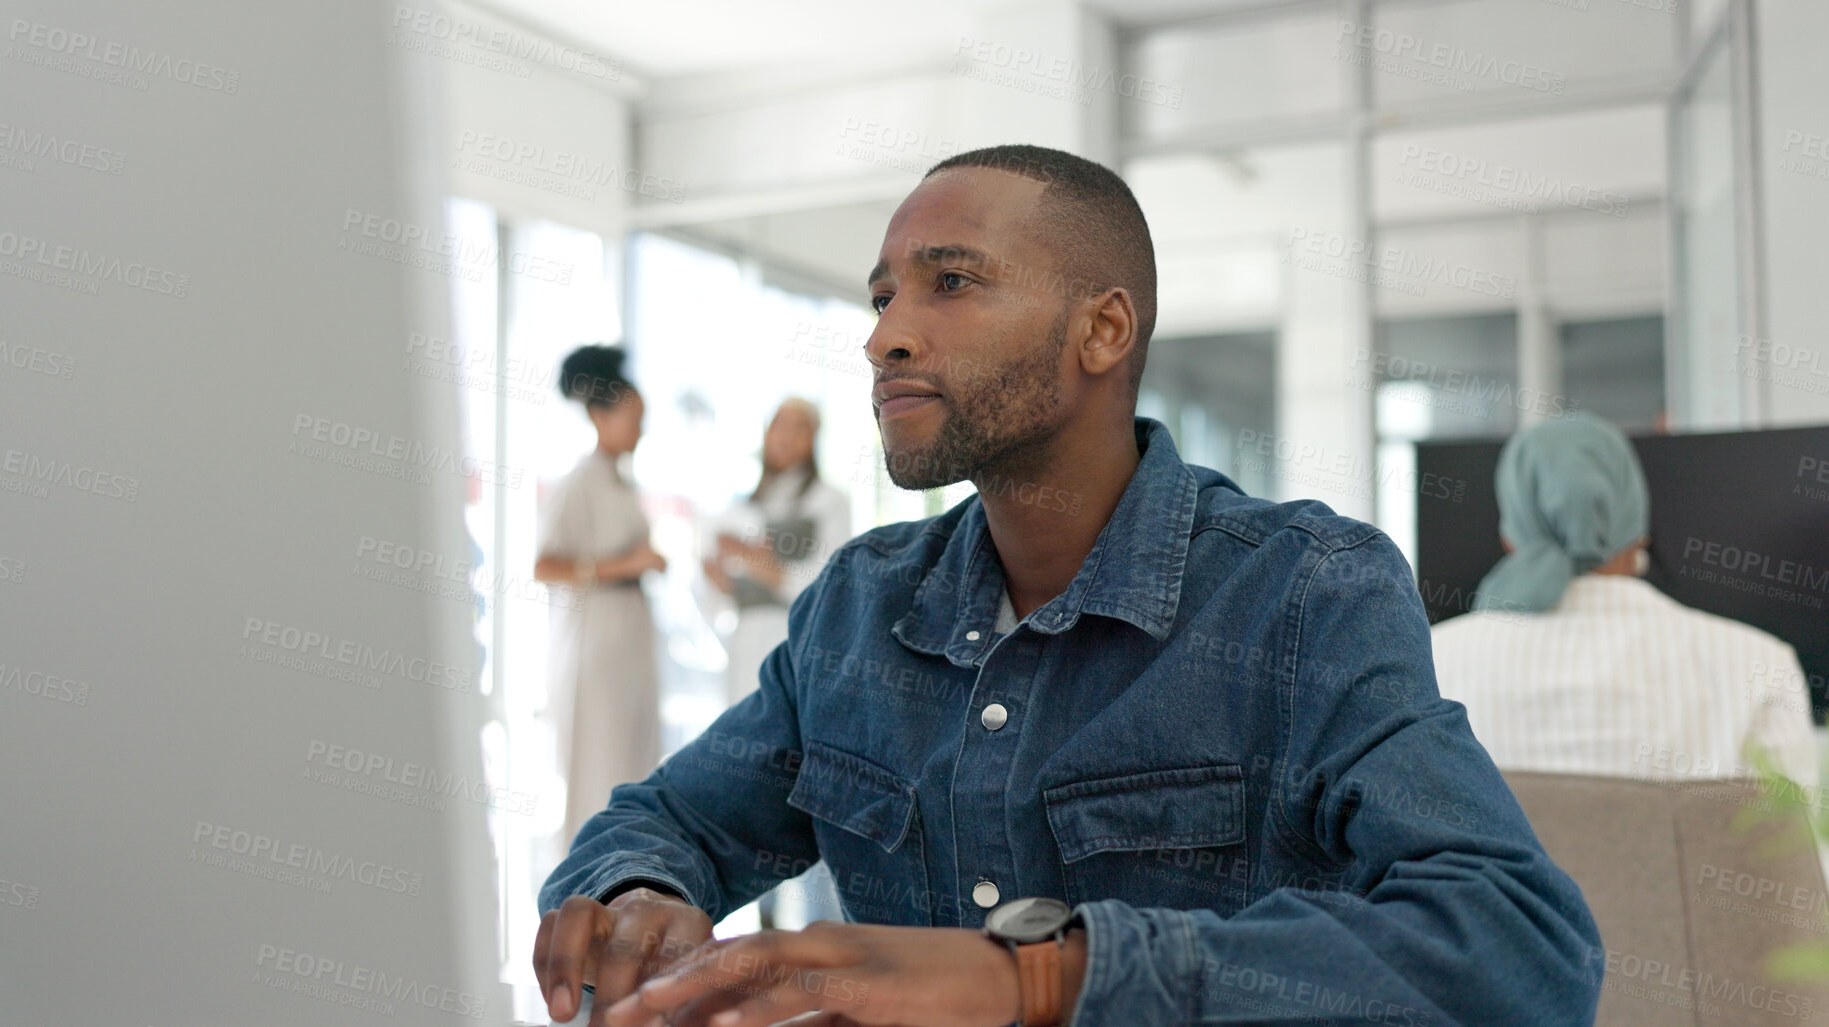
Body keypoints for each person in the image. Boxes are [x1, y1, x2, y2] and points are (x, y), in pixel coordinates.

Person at [534, 145, 1601, 1027]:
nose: (885, 334)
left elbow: (1520, 949)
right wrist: (640, 899)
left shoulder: (1305, 595)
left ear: (1104, 329)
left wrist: (1039, 976)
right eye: (882, 295)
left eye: (950, 282)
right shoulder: (859, 607)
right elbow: (665, 821)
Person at [1430, 414, 1822, 794]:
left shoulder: (1428, 663)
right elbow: (1792, 850)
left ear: (1511, 536)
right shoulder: (1761, 664)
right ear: (1638, 534)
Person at [533, 345, 669, 847]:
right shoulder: (578, 484)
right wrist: (625, 565)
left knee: (633, 766)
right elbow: (544, 564)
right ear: (599, 416)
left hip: (628, 636)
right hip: (595, 639)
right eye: (633, 418)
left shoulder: (620, 483)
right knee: (598, 767)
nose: (640, 430)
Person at [705, 398, 852, 708]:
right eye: (779, 425)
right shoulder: (741, 507)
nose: (785, 436)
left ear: (813, 438)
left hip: (793, 639)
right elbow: (719, 602)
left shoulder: (829, 500)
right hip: (744, 643)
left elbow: (829, 584)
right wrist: (718, 582)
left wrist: (757, 563)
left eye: (798, 427)